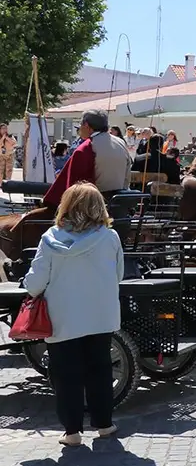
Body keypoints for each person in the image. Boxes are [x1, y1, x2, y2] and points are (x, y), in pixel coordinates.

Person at [22, 182, 125, 446]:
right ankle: (104, 424)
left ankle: (72, 432)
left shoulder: (50, 239)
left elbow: (35, 283)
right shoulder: (110, 237)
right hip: (100, 315)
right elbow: (119, 275)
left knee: (66, 375)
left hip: (64, 317)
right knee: (100, 369)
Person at [42, 110, 132, 209]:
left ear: (87, 125)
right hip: (119, 202)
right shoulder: (120, 142)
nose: (79, 128)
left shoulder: (86, 147)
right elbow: (127, 176)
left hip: (93, 205)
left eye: (80, 124)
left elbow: (74, 186)